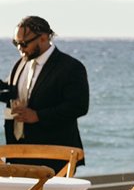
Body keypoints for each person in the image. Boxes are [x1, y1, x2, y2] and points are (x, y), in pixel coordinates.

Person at [7, 15, 90, 166]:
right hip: (20, 153)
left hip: (55, 155)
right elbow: (15, 92)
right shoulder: (21, 63)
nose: (20, 48)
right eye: (16, 43)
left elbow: (78, 106)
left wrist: (38, 116)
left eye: (24, 43)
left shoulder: (70, 67)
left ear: (44, 38)